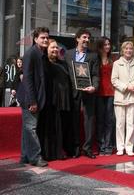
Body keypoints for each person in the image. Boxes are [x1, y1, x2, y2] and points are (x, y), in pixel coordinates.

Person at [16, 27, 49, 167]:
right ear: (35, 39)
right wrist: (33, 101)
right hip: (30, 98)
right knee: (31, 128)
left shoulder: (40, 53)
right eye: (42, 37)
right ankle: (35, 157)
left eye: (47, 37)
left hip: (33, 97)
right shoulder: (31, 53)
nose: (46, 40)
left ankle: (25, 156)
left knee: (27, 128)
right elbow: (27, 79)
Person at [65, 28, 99, 159]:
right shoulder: (68, 54)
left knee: (89, 120)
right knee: (74, 120)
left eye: (88, 38)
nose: (87, 40)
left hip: (88, 91)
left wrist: (94, 87)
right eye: (84, 37)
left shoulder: (93, 55)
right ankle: (75, 148)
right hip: (73, 92)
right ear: (77, 38)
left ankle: (88, 148)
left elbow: (96, 75)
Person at [37, 39, 73, 161]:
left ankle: (59, 150)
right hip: (49, 101)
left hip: (63, 100)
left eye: (57, 48)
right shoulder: (44, 64)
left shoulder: (63, 63)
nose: (55, 50)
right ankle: (48, 153)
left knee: (61, 126)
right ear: (46, 49)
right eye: (52, 48)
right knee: (50, 127)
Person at [111, 41, 134, 156]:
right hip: (120, 97)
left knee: (131, 123)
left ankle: (129, 147)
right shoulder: (116, 63)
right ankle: (120, 147)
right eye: (126, 49)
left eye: (130, 48)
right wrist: (126, 87)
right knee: (120, 123)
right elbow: (114, 80)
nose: (129, 51)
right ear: (122, 50)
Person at [95, 37, 115, 156]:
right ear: (100, 46)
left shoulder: (113, 61)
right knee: (100, 121)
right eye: (105, 45)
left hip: (111, 94)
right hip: (98, 94)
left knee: (109, 120)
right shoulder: (95, 60)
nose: (107, 46)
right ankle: (101, 146)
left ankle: (108, 146)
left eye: (109, 44)